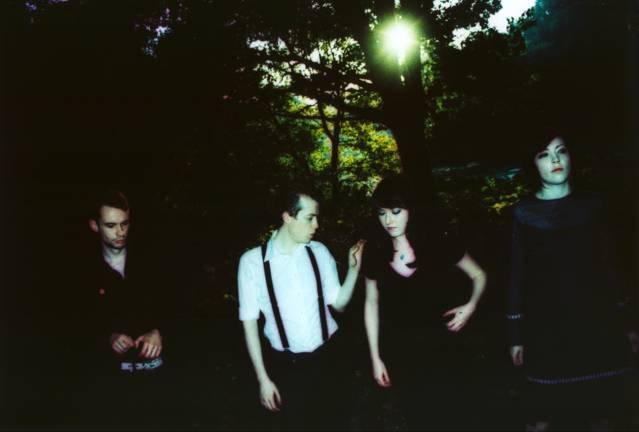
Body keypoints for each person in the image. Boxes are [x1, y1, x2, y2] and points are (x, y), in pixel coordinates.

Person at [507, 134, 638, 430]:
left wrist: (629, 323)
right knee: (541, 416)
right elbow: (516, 277)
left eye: (561, 151)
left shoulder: (593, 205)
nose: (555, 159)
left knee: (605, 414)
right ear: (532, 164)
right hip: (548, 332)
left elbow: (612, 269)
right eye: (544, 154)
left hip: (599, 325)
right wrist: (516, 335)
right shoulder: (522, 213)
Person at [362, 174, 487, 430]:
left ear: (411, 209)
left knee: (457, 416)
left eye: (396, 211)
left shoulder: (438, 241)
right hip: (403, 353)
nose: (388, 220)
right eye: (382, 213)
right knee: (419, 418)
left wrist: (470, 306)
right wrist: (375, 357)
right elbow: (371, 304)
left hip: (447, 348)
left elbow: (479, 275)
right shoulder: (375, 251)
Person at [237, 187, 364, 430]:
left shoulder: (319, 252)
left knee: (336, 422)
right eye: (310, 218)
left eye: (317, 218)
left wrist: (353, 270)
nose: (316, 225)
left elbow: (339, 304)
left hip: (330, 357)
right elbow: (249, 324)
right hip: (287, 366)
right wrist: (263, 379)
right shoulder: (252, 263)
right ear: (288, 217)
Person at [69, 189, 170, 428]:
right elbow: (72, 326)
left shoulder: (153, 261)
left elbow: (179, 307)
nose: (120, 232)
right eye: (111, 225)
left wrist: (158, 331)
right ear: (94, 226)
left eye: (125, 224)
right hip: (109, 385)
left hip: (157, 380)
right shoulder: (80, 272)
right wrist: (109, 337)